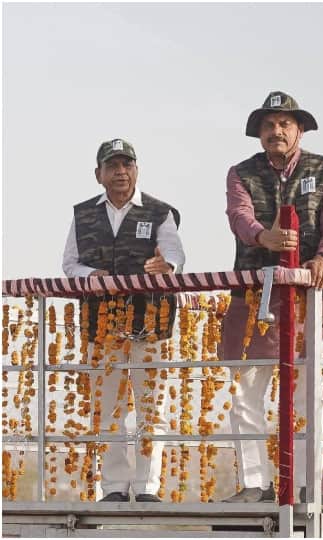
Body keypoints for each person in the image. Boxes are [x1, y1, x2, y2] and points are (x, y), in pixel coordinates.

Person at [222, 91, 323, 502]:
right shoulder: (241, 173)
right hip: (253, 297)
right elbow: (240, 217)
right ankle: (255, 485)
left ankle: (305, 485)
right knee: (245, 393)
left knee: (310, 395)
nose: (276, 131)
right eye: (268, 125)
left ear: (299, 129)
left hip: (309, 300)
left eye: (284, 124)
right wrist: (265, 237)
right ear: (258, 133)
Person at [62, 138, 185, 502]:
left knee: (152, 406)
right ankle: (114, 487)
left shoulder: (160, 211)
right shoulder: (82, 214)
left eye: (126, 165)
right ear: (98, 174)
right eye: (112, 166)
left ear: (136, 170)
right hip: (101, 324)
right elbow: (69, 264)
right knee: (108, 405)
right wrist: (90, 275)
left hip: (151, 322)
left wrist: (168, 266)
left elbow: (176, 253)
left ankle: (147, 487)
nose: (120, 172)